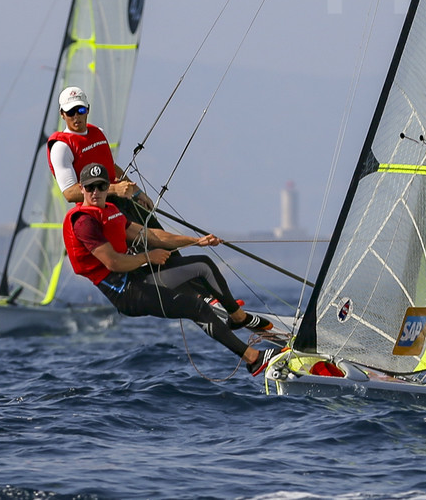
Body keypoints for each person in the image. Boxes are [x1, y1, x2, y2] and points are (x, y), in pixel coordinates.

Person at [63, 163, 277, 375]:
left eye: (101, 186)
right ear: (81, 188)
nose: (96, 192)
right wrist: (149, 256)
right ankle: (253, 359)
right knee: (196, 307)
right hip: (125, 293)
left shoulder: (110, 210)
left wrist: (196, 241)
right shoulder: (84, 222)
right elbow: (113, 263)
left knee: (203, 265)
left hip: (138, 276)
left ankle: (237, 317)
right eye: (90, 187)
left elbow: (153, 235)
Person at [46, 86, 156, 226]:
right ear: (62, 114)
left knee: (161, 240)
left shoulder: (98, 132)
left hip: (120, 204)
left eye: (80, 110)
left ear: (88, 109)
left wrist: (137, 192)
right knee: (151, 243)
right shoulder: (61, 147)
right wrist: (115, 189)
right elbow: (70, 193)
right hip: (96, 213)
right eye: (70, 112)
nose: (76, 116)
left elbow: (112, 168)